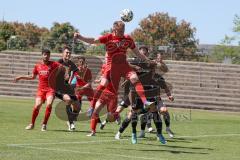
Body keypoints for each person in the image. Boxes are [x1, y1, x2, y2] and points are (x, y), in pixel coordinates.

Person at [73, 21, 156, 113]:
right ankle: (92, 107)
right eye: (120, 31)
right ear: (114, 30)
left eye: (123, 30)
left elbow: (138, 53)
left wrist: (149, 61)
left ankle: (145, 102)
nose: (122, 33)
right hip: (111, 67)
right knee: (103, 84)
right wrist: (80, 37)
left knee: (135, 78)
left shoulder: (128, 39)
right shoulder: (108, 37)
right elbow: (93, 40)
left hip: (123, 66)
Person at [14, 49, 60, 131]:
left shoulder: (54, 64)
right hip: (41, 90)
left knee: (49, 104)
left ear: (49, 56)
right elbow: (32, 77)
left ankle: (44, 124)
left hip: (50, 89)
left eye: (48, 55)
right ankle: (32, 124)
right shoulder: (37, 66)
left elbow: (63, 68)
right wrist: (21, 77)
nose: (46, 56)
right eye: (45, 54)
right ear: (42, 55)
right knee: (37, 106)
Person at [55, 46, 81, 131]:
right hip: (59, 86)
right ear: (63, 53)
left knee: (77, 106)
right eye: (67, 52)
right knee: (68, 100)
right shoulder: (59, 62)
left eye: (69, 53)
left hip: (67, 87)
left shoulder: (71, 63)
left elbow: (76, 72)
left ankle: (71, 119)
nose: (68, 54)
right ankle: (71, 122)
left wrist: (71, 78)